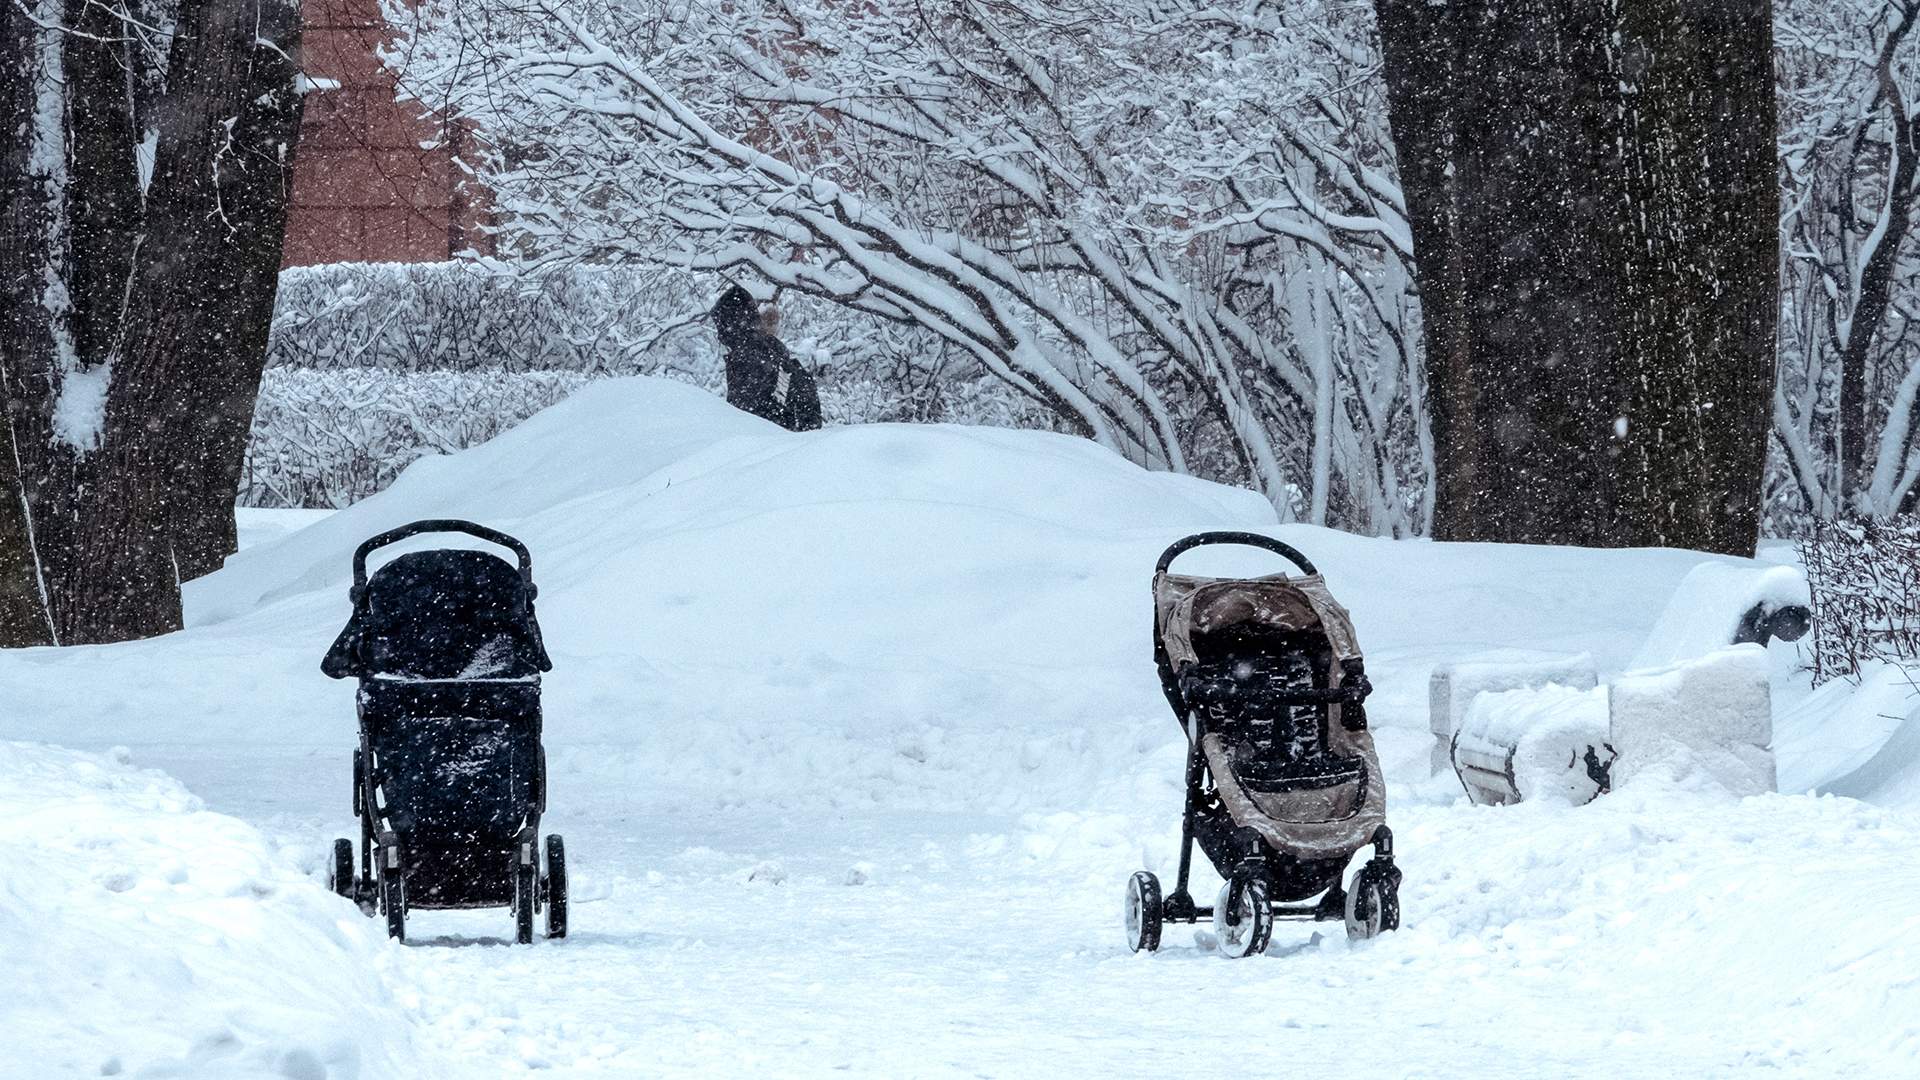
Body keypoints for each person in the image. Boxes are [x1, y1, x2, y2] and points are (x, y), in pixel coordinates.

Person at [709, 285, 822, 431]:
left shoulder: (748, 357)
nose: (719, 334)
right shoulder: (771, 349)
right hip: (782, 441)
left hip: (764, 445)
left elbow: (746, 418)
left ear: (733, 321)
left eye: (721, 325)